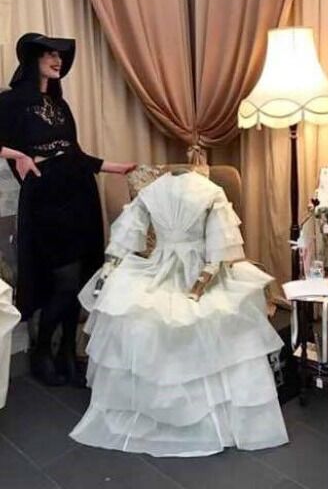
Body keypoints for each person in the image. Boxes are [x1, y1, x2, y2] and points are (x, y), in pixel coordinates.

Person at [70, 170, 288, 457]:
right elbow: (218, 255)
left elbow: (122, 241)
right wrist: (198, 288)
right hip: (194, 270)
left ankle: (152, 407)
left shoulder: (151, 192)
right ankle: (210, 414)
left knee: (140, 312)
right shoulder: (210, 192)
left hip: (160, 267)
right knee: (219, 315)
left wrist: (106, 276)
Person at [0, 32, 135, 387]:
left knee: (81, 277)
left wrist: (115, 167)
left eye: (60, 55)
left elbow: (75, 154)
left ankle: (66, 355)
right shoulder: (11, 101)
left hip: (78, 191)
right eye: (50, 54)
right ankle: (42, 349)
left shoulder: (60, 105)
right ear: (33, 59)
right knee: (64, 280)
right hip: (45, 196)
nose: (57, 60)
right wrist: (19, 155)